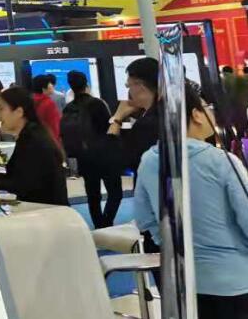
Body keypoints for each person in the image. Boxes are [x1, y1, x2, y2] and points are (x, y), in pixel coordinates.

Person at [135, 85, 248, 319]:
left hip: (181, 281)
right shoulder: (221, 161)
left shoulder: (148, 160)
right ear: (196, 114)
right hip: (233, 281)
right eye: (207, 107)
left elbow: (145, 218)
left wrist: (174, 246)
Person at [0, 88, 68, 206]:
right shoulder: (30, 134)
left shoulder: (33, 140)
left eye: (2, 109)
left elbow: (21, 184)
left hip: (48, 210)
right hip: (43, 207)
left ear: (19, 112)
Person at [60, 71, 120, 228]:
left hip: (84, 157)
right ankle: (107, 222)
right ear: (86, 85)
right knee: (115, 192)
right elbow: (108, 128)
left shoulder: (68, 108)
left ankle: (99, 225)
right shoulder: (97, 104)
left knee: (93, 196)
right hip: (104, 155)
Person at [107, 57, 160, 174]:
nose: (129, 92)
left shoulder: (146, 124)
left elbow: (116, 159)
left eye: (129, 86)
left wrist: (117, 118)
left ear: (140, 86)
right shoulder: (169, 113)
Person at [29, 75, 62, 146]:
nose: (52, 85)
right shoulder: (48, 103)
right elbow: (54, 126)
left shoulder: (30, 101)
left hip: (34, 141)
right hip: (49, 142)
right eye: (49, 83)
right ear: (43, 88)